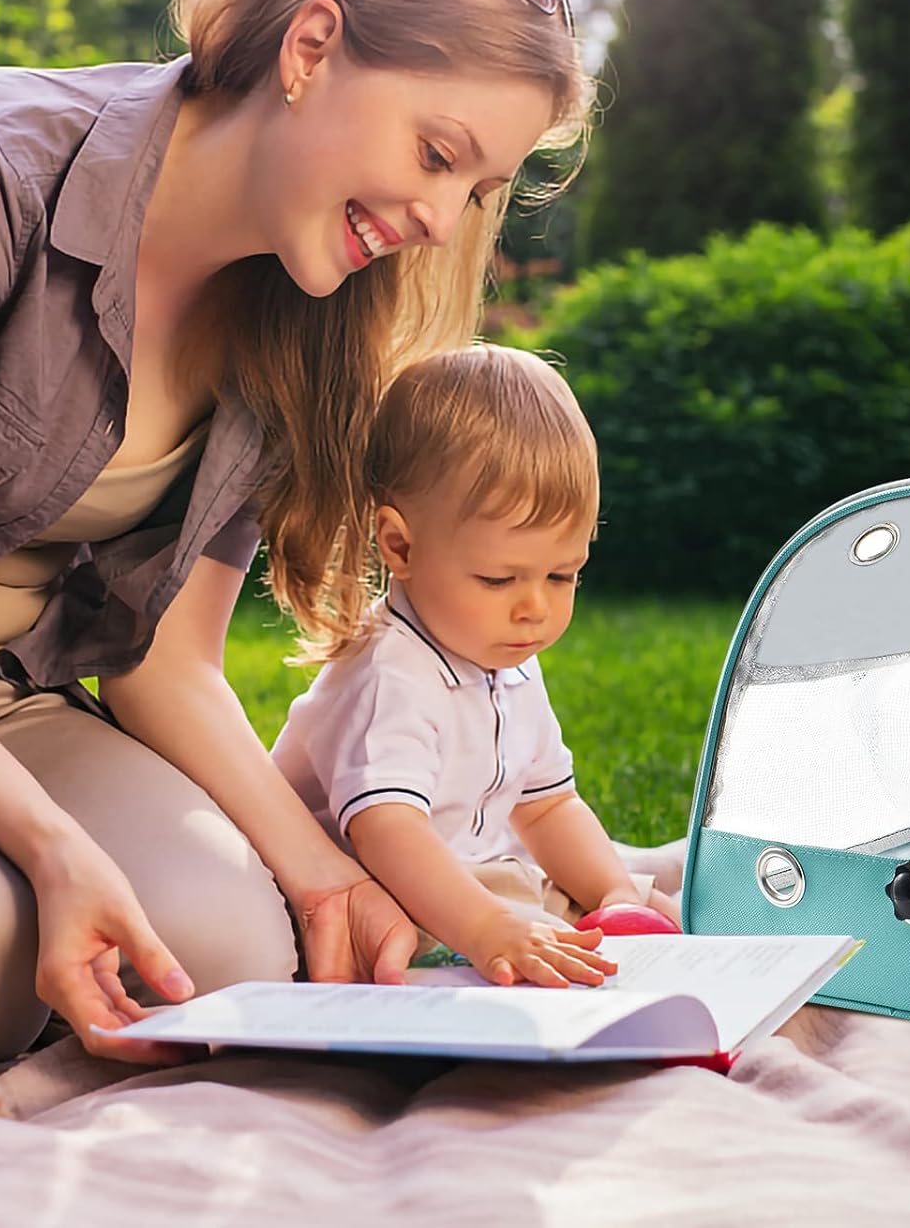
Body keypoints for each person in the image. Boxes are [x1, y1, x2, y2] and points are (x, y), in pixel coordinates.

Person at [0, 0, 596, 1063]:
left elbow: (167, 665)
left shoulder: (305, 321)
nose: (441, 219)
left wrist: (328, 878)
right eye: (437, 156)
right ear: (311, 45)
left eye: (476, 190)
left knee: (234, 947)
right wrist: (54, 846)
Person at [271, 344, 680, 987]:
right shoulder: (390, 675)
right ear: (400, 545)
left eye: (563, 574)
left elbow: (548, 808)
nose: (535, 610)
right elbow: (386, 833)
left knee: (632, 887)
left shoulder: (503, 657)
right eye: (498, 578)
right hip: (380, 895)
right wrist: (490, 928)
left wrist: (615, 894)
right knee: (534, 931)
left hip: (470, 873)